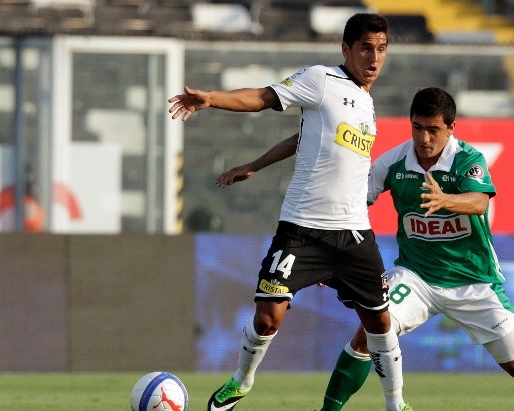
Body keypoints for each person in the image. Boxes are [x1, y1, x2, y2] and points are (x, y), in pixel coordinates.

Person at [217, 87, 514, 410]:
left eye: (433, 130)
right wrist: (327, 255)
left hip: (473, 282)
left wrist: (446, 200)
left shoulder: (467, 160)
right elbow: (352, 204)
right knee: (369, 335)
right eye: (417, 128)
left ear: (451, 128)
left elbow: (479, 201)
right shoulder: (393, 163)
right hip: (416, 277)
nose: (424, 139)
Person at [168, 13, 411, 411]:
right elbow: (263, 97)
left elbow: (303, 138)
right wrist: (212, 99)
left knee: (380, 324)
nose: (374, 58)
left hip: (353, 233)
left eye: (381, 49)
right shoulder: (320, 79)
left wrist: (256, 164)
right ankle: (241, 381)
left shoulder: (367, 105)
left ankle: (396, 404)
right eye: (366, 48)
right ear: (346, 49)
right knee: (267, 318)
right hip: (302, 230)